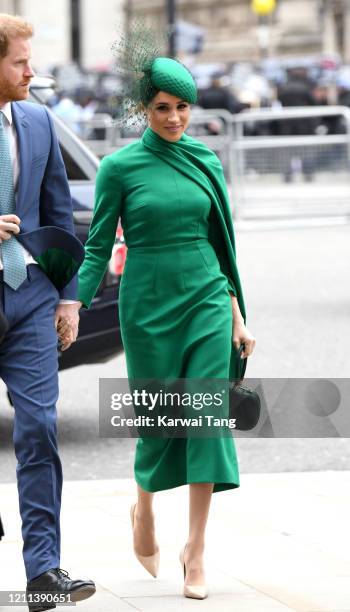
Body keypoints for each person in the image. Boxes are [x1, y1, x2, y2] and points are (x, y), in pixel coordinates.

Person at [74, 55, 256, 600]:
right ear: (142, 109)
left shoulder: (205, 160)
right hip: (147, 303)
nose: (175, 118)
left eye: (182, 108)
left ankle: (195, 551)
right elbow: (98, 248)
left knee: (204, 418)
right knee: (158, 419)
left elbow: (222, 245)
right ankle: (144, 507)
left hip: (206, 295)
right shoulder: (119, 168)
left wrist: (237, 315)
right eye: (162, 108)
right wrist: (68, 306)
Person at [0, 14, 95, 611]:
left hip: (32, 297)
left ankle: (44, 572)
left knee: (40, 430)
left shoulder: (36, 119)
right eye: (19, 61)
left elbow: (61, 212)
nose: (32, 72)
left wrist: (68, 294)